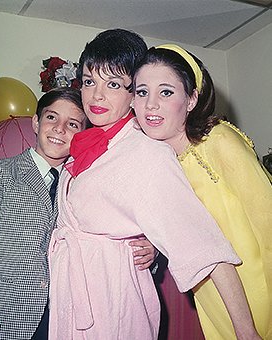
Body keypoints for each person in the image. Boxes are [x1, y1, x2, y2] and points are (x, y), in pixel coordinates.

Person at [44, 28, 259, 339]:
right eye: (90, 81)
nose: (97, 95)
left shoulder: (147, 154)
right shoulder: (82, 148)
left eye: (114, 84)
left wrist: (246, 332)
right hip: (72, 298)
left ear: (134, 94)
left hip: (112, 302)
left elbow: (204, 247)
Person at [0, 87, 157, 340]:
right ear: (36, 122)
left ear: (83, 134)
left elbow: (118, 231)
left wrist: (148, 249)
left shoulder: (84, 184)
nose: (59, 128)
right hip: (5, 321)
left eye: (73, 124)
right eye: (52, 117)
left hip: (66, 320)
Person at [132, 44, 272, 339]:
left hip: (259, 292)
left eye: (166, 92)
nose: (151, 105)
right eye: (142, 92)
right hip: (213, 301)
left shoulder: (219, 141)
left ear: (192, 98)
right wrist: (154, 248)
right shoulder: (158, 164)